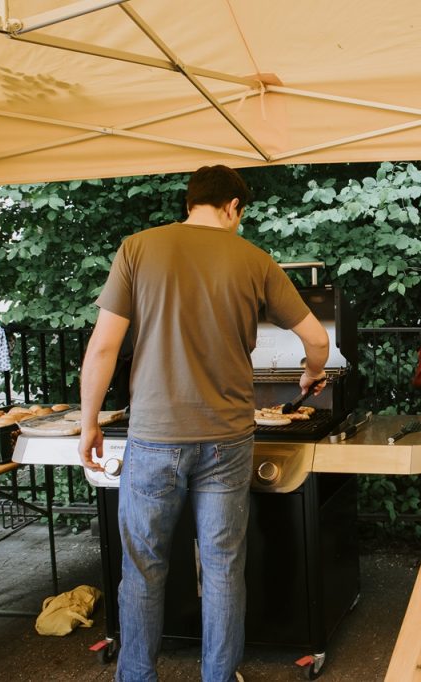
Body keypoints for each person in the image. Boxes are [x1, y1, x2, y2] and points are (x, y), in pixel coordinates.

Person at [78, 165, 330, 682]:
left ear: (191, 201)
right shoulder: (254, 259)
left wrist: (89, 424)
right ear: (233, 206)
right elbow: (318, 339)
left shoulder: (138, 248)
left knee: (143, 570)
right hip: (227, 439)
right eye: (242, 213)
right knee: (221, 567)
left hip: (153, 437)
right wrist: (311, 374)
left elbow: (103, 346)